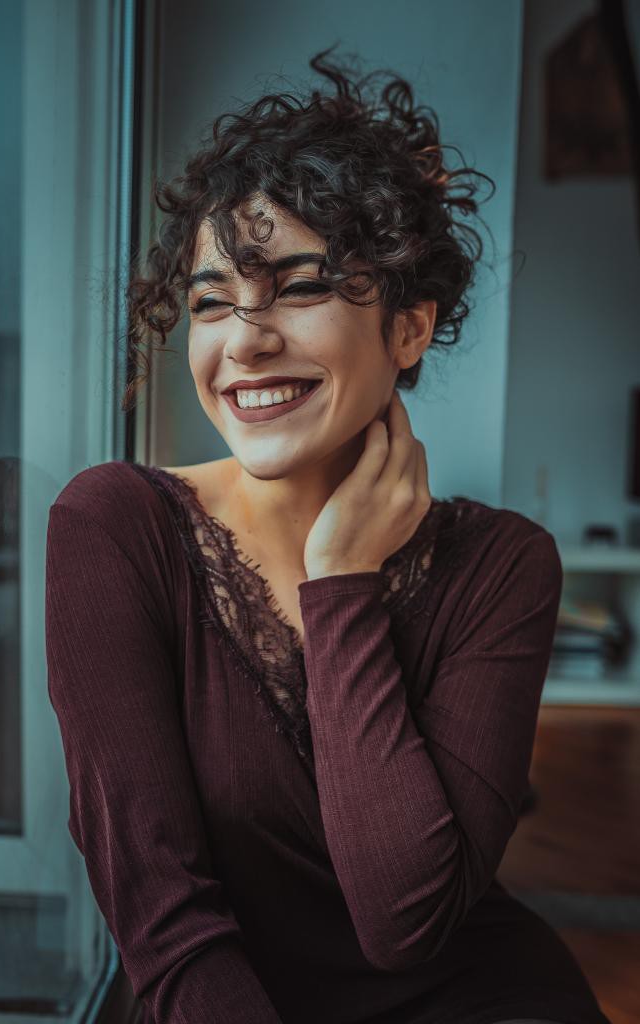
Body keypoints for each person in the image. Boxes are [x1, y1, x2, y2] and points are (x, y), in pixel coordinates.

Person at [45, 48, 611, 1024]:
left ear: (406, 329)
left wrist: (340, 582)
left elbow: (407, 921)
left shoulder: (504, 564)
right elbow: (167, 927)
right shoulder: (112, 528)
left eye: (301, 287)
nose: (245, 339)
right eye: (213, 300)